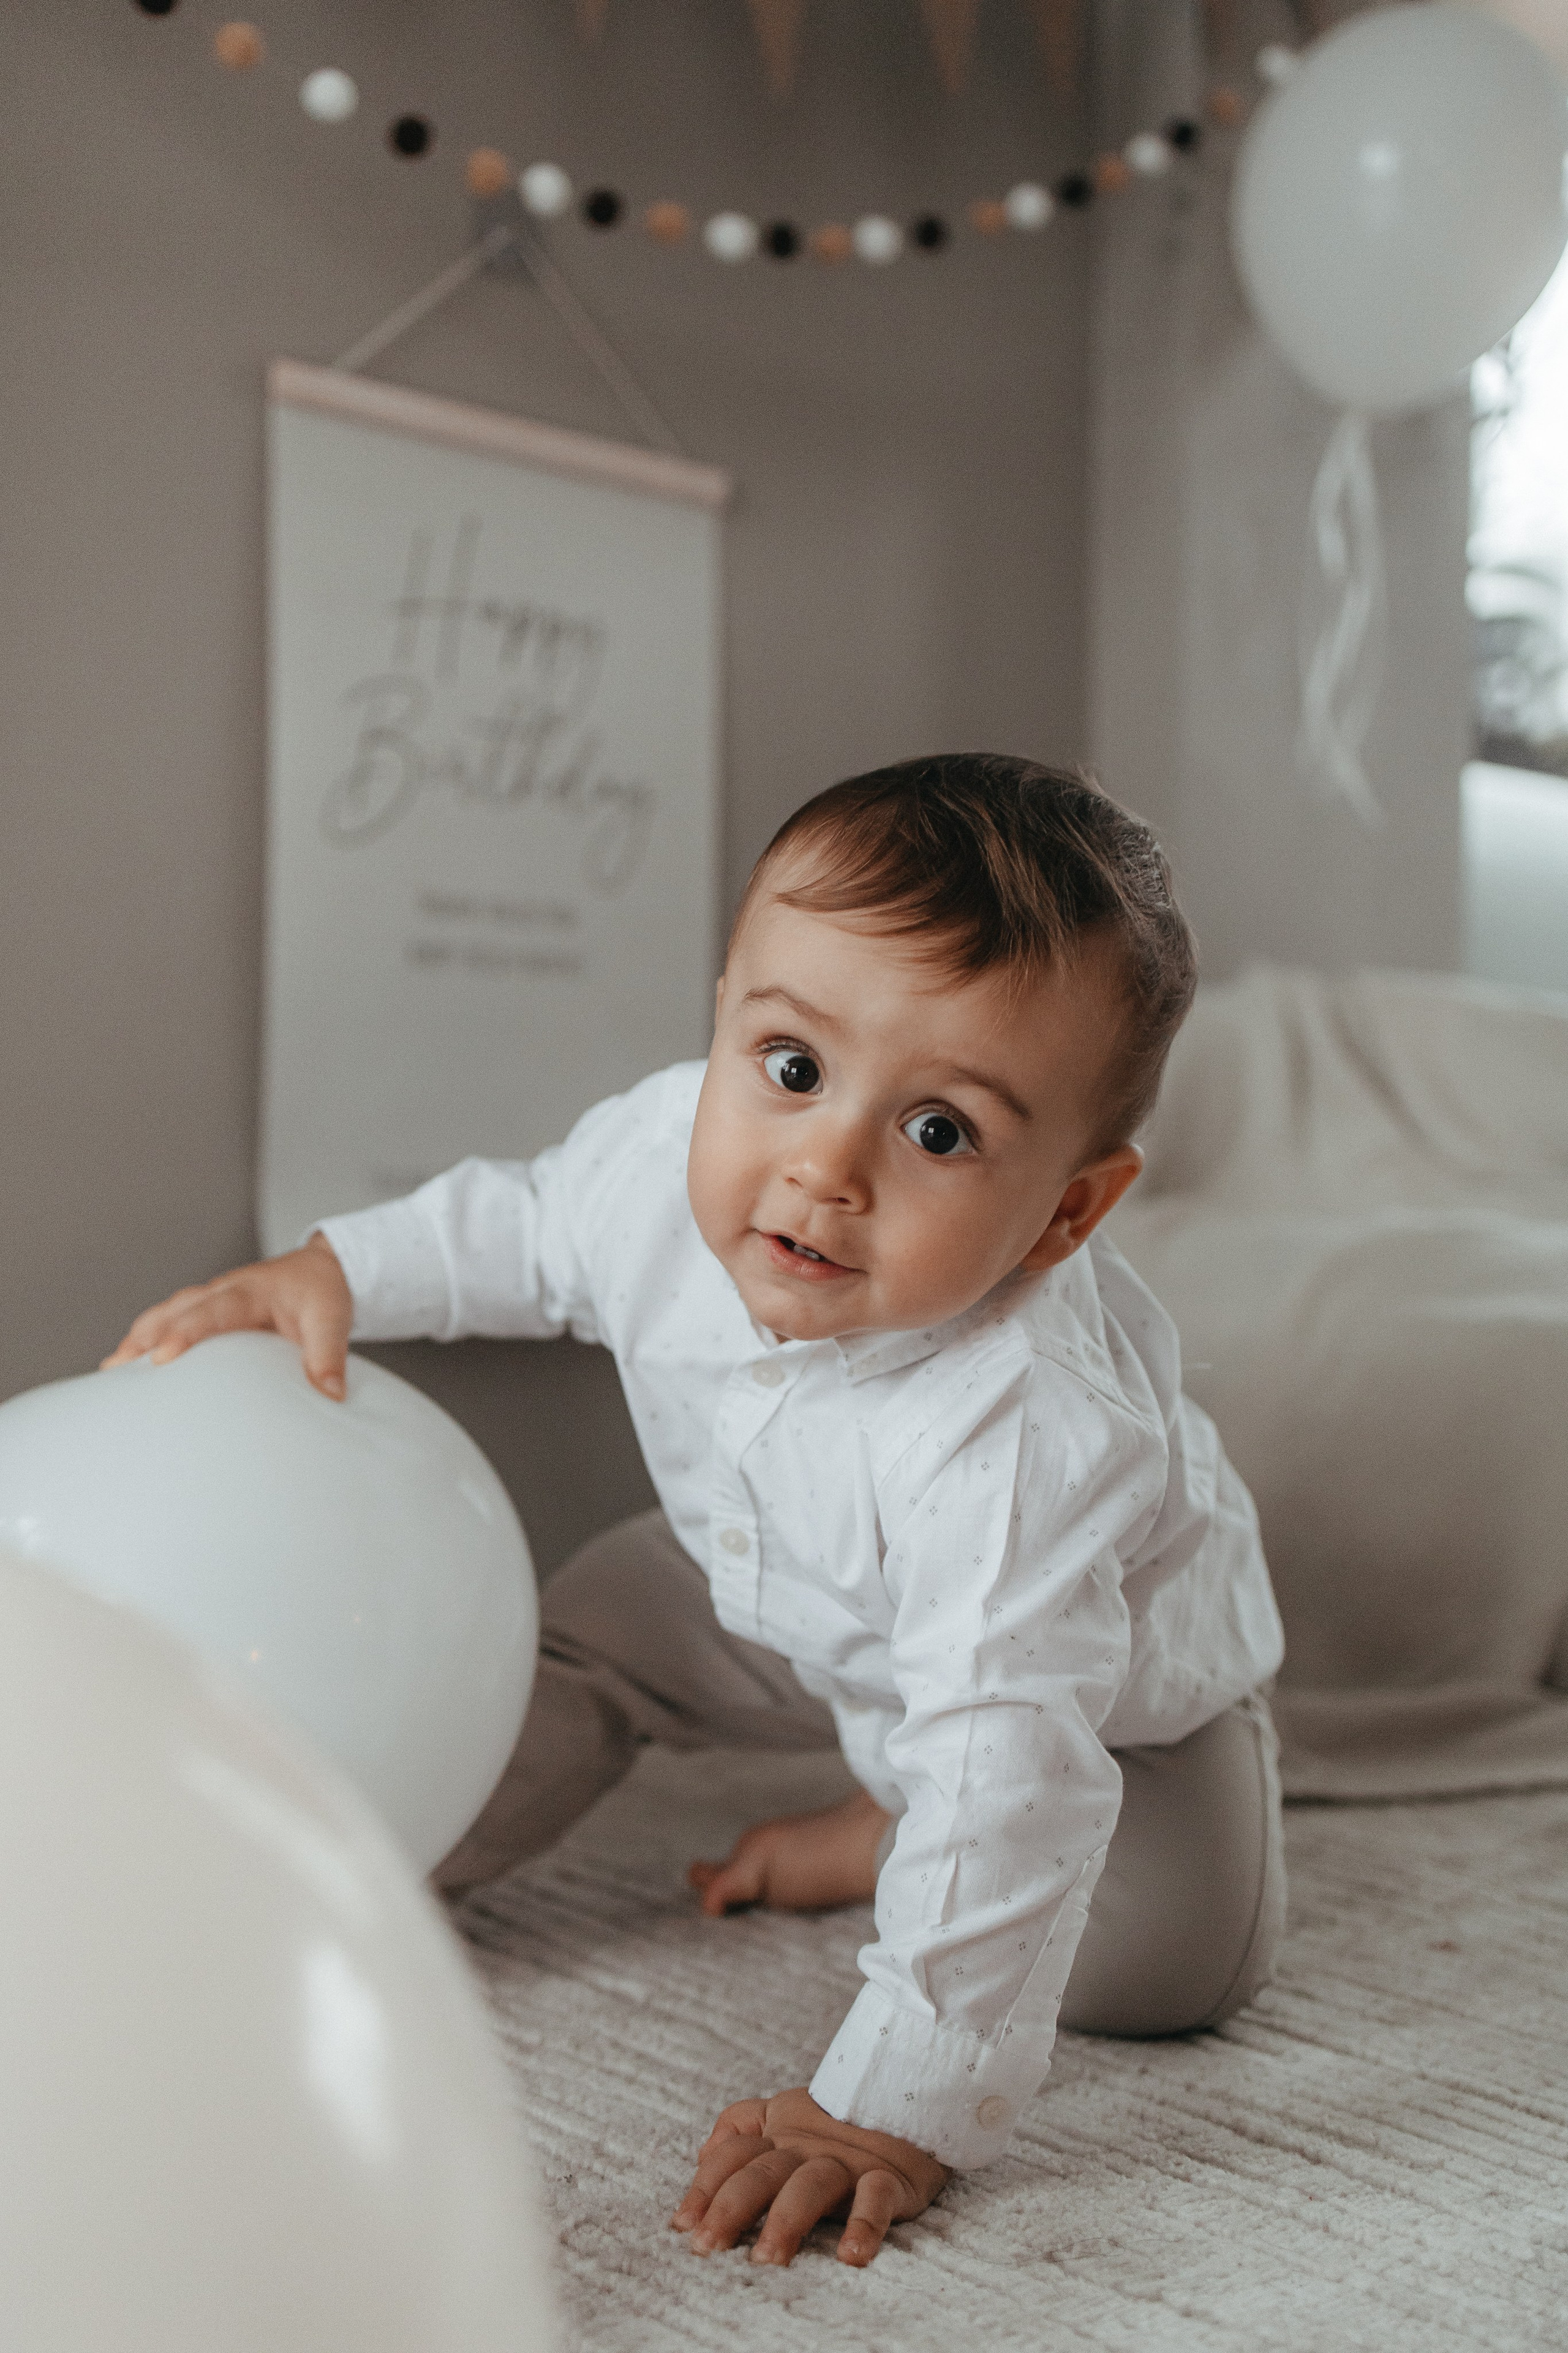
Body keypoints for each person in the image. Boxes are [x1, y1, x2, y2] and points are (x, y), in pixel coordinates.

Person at [107, 753, 1285, 2270]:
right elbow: (525, 1224)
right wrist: (338, 1270)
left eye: (938, 1133)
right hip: (773, 1580)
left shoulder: (1023, 1441)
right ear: (726, 1020)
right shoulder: (662, 1157)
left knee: (1159, 1963)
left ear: (1066, 1211)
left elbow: (1012, 1776)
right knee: (575, 1643)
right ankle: (371, 1855)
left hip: (1107, 1701)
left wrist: (891, 2106)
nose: (824, 1165)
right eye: (789, 1067)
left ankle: (890, 1829)